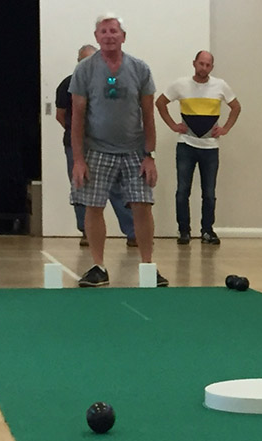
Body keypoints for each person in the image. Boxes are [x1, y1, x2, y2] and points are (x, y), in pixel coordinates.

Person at [69, 13, 166, 287]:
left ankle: (148, 266)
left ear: (123, 36)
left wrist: (150, 155)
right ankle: (98, 267)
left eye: (114, 31)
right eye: (103, 32)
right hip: (97, 149)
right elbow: (77, 115)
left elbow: (148, 113)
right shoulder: (85, 70)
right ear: (97, 37)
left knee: (142, 205)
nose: (109, 36)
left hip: (135, 150)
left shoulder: (140, 69)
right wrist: (78, 159)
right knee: (94, 205)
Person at [156, 51, 241, 246]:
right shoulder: (181, 84)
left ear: (212, 67)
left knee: (209, 192)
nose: (203, 68)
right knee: (182, 190)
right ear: (194, 63)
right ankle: (184, 231)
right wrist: (172, 125)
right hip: (186, 144)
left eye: (207, 65)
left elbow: (236, 107)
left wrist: (225, 128)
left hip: (210, 147)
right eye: (201, 64)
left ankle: (207, 230)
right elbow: (160, 102)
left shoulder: (220, 86)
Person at [55, 44, 137, 248]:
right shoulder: (66, 84)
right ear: (78, 61)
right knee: (80, 186)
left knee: (116, 187)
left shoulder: (109, 84)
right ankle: (86, 232)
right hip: (76, 146)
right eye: (84, 60)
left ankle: (133, 232)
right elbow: (61, 115)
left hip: (105, 144)